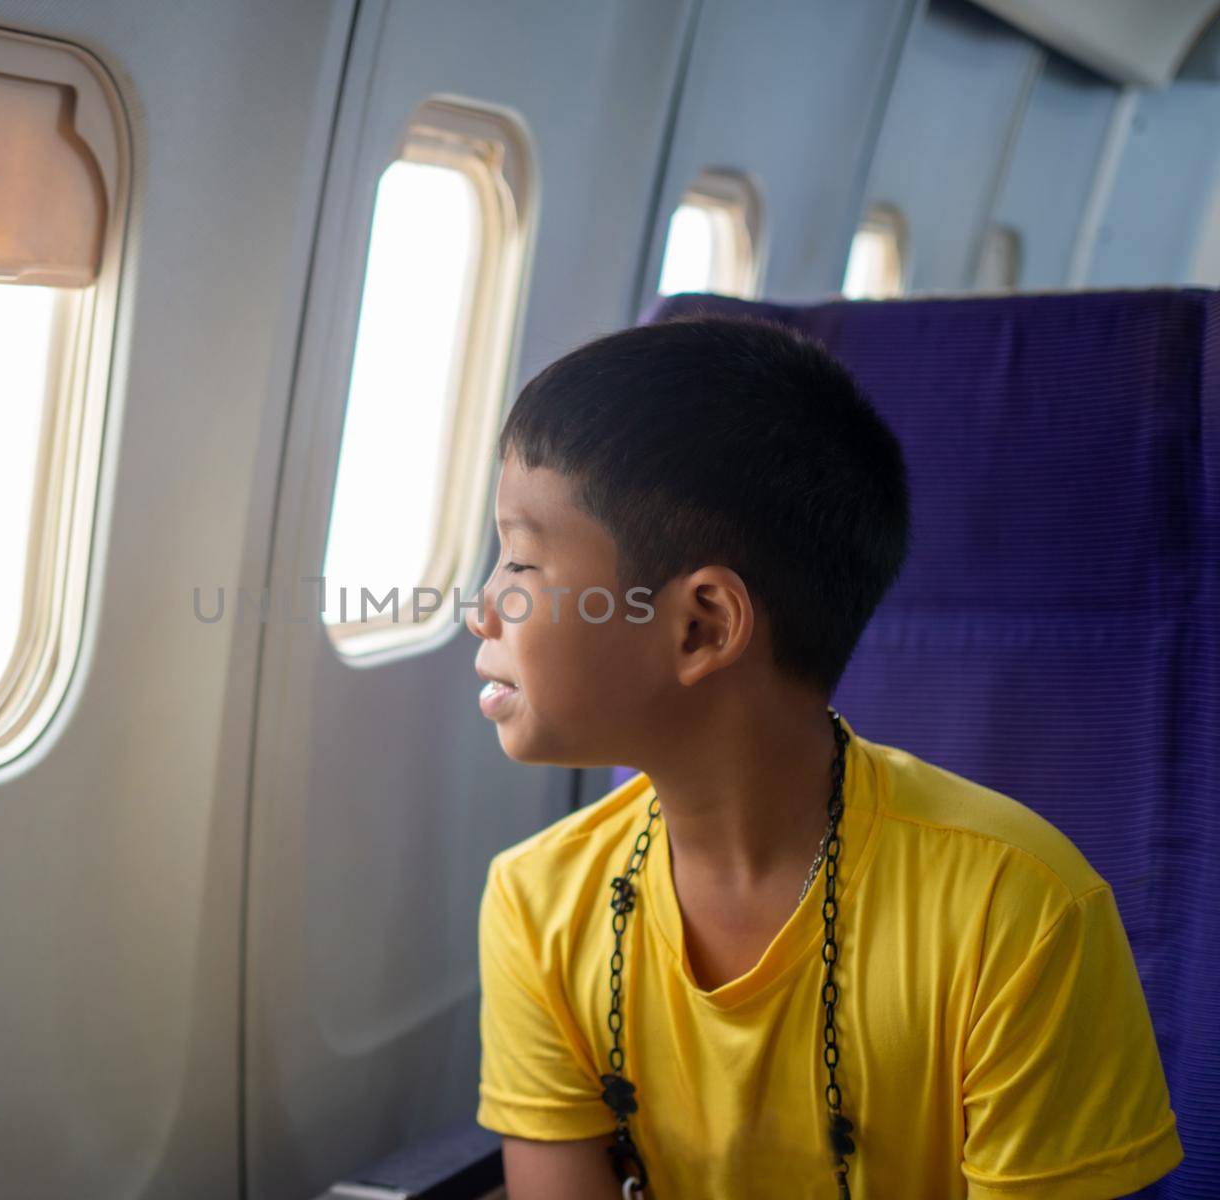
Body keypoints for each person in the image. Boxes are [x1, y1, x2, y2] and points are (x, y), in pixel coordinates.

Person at [466, 316, 1183, 1199]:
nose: (481, 606)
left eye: (522, 562)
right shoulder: (537, 904)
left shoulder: (1018, 915)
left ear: (702, 627)